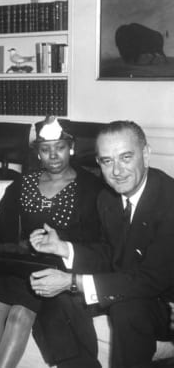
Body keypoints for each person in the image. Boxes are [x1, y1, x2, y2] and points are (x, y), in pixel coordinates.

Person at [30, 120, 174, 368]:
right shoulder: (108, 198)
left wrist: (74, 282)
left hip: (165, 302)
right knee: (55, 301)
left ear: (146, 154)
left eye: (126, 157)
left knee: (125, 308)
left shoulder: (168, 199)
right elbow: (111, 254)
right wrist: (64, 248)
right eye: (107, 161)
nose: (117, 171)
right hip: (136, 288)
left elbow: (152, 279)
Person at [0, 116, 105, 368]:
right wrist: (23, 244)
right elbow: (2, 234)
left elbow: (97, 243)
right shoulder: (22, 185)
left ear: (72, 148)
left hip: (61, 271)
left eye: (60, 148)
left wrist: (60, 245)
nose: (53, 155)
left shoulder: (92, 189)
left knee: (20, 313)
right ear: (38, 154)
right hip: (20, 266)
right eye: (46, 150)